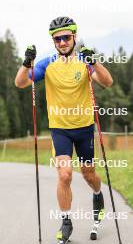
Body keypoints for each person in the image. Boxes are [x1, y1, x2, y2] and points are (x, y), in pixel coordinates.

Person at [15, 16, 113, 243]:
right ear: (54, 41)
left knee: (89, 175)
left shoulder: (84, 60)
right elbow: (20, 83)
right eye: (57, 39)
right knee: (65, 174)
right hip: (60, 130)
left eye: (66, 37)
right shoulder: (47, 64)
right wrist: (26, 62)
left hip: (85, 128)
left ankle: (98, 195)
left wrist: (95, 61)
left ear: (74, 37)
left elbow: (107, 82)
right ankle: (66, 222)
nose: (61, 42)